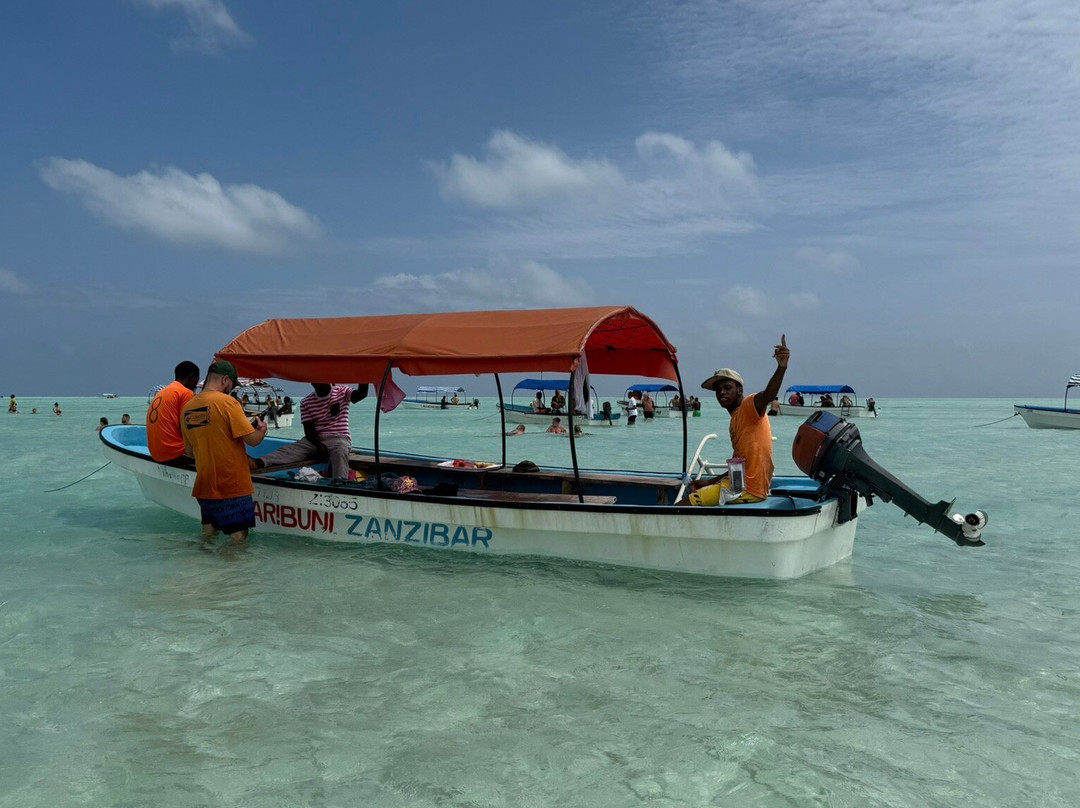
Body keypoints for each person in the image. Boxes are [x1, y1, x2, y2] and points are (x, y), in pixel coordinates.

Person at [681, 335, 790, 506]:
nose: (721, 393)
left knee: (684, 505)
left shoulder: (749, 406)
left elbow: (768, 394)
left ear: (739, 390)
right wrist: (708, 482)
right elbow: (738, 467)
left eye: (727, 388)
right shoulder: (735, 419)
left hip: (749, 490)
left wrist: (781, 368)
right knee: (697, 491)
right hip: (739, 486)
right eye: (718, 390)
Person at [181, 361, 268, 545]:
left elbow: (189, 452)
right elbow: (252, 440)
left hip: (204, 484)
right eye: (231, 385)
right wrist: (261, 430)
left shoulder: (188, 407)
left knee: (209, 533)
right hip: (231, 485)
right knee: (238, 536)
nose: (230, 389)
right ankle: (231, 574)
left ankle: (201, 569)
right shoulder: (227, 402)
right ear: (225, 379)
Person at [249, 382, 369, 480]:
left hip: (338, 437)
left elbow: (361, 394)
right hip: (314, 440)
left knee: (340, 450)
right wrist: (320, 446)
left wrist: (365, 376)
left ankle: (340, 481)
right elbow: (309, 432)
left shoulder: (342, 392)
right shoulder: (306, 402)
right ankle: (259, 462)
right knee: (290, 450)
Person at [147, 361, 201, 465]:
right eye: (196, 380)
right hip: (175, 453)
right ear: (191, 377)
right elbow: (189, 428)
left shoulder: (162, 392)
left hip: (156, 453)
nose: (196, 385)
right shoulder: (186, 393)